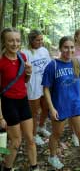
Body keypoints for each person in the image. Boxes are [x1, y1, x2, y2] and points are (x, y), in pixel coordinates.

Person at [42, 37, 80, 171]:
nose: (69, 50)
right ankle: (52, 156)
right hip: (60, 106)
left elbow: (78, 82)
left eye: (72, 47)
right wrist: (51, 108)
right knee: (56, 134)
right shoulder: (53, 65)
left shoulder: (76, 62)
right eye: (66, 47)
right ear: (60, 48)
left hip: (75, 104)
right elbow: (46, 88)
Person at [0, 28, 39, 171]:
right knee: (16, 141)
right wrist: (0, 117)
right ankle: (7, 167)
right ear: (4, 42)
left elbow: (24, 81)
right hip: (8, 103)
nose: (14, 43)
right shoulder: (1, 61)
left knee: (30, 138)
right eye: (10, 40)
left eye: (17, 40)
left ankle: (34, 167)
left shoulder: (22, 56)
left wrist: (29, 73)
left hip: (23, 101)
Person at [23, 30, 51, 146]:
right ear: (31, 40)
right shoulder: (25, 53)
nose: (40, 42)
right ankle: (34, 135)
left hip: (44, 85)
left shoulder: (44, 50)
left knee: (46, 108)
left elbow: (49, 66)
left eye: (41, 39)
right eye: (37, 40)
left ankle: (41, 127)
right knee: (34, 112)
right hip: (32, 86)